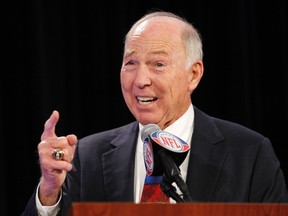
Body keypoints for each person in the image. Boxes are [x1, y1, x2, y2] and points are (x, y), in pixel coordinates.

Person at [22, 10, 288, 216]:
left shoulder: (250, 155)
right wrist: (49, 192)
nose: (140, 80)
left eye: (158, 64)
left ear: (193, 74)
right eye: (131, 63)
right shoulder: (87, 157)